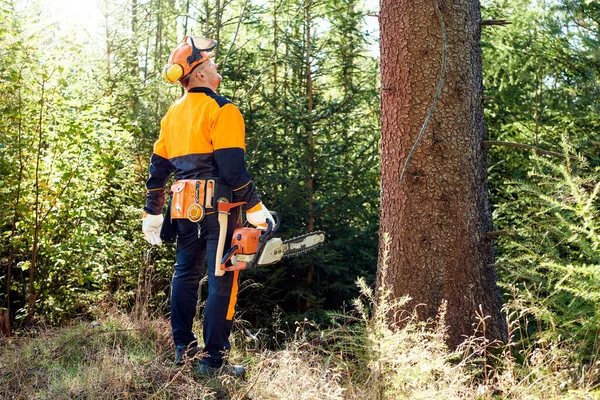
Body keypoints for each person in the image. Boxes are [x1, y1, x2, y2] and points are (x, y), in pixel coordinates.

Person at [141, 36, 273, 378]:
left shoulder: (173, 114)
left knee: (184, 277)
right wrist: (256, 207)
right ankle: (213, 360)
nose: (216, 67)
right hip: (221, 210)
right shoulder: (222, 109)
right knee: (222, 281)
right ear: (198, 73)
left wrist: (153, 211)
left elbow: (158, 168)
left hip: (183, 209)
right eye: (210, 63)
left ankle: (183, 350)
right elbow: (232, 167)